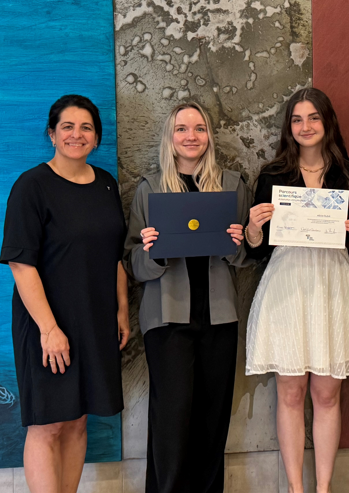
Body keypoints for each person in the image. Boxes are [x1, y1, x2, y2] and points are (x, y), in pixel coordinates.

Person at [244, 87, 349, 493]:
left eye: (313, 118)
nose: (305, 126)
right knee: (289, 392)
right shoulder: (271, 176)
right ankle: (295, 488)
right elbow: (257, 252)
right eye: (297, 119)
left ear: (327, 123)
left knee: (326, 393)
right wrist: (253, 227)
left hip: (331, 287)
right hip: (287, 285)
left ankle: (323, 488)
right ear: (288, 127)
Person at [0, 94, 129, 493]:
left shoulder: (106, 183)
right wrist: (49, 329)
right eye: (68, 127)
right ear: (52, 134)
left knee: (78, 419)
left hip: (95, 319)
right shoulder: (31, 186)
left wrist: (122, 312)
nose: (77, 134)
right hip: (46, 323)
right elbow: (22, 264)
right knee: (48, 422)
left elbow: (115, 256)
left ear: (96, 136)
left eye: (86, 127)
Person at [123, 102, 250, 493]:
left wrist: (237, 243)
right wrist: (154, 252)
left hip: (219, 316)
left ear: (209, 135)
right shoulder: (150, 187)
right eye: (181, 128)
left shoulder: (232, 184)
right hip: (167, 319)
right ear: (170, 137)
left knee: (213, 422)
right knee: (172, 422)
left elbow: (245, 257)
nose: (190, 136)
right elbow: (134, 264)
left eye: (198, 128)